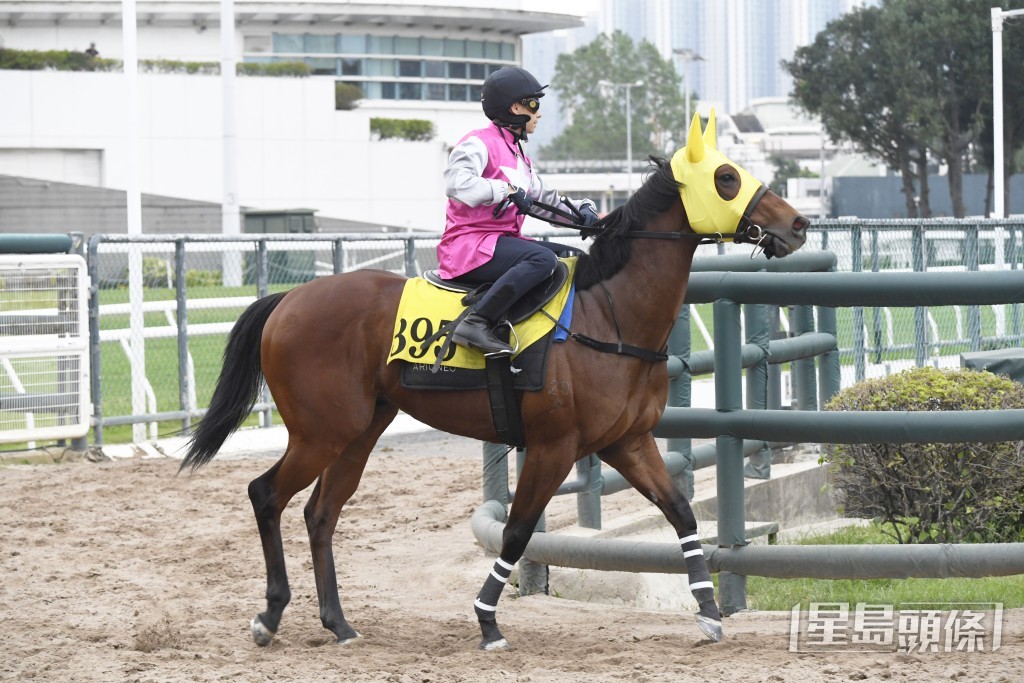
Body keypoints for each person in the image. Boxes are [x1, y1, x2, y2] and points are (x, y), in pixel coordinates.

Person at [439, 65, 600, 356]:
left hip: (502, 243)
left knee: (576, 258)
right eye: (533, 104)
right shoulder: (478, 142)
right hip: (468, 246)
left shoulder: (518, 153)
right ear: (515, 107)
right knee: (543, 260)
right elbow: (456, 183)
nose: (538, 113)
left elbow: (543, 199)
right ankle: (476, 322)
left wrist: (584, 213)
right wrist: (507, 190)